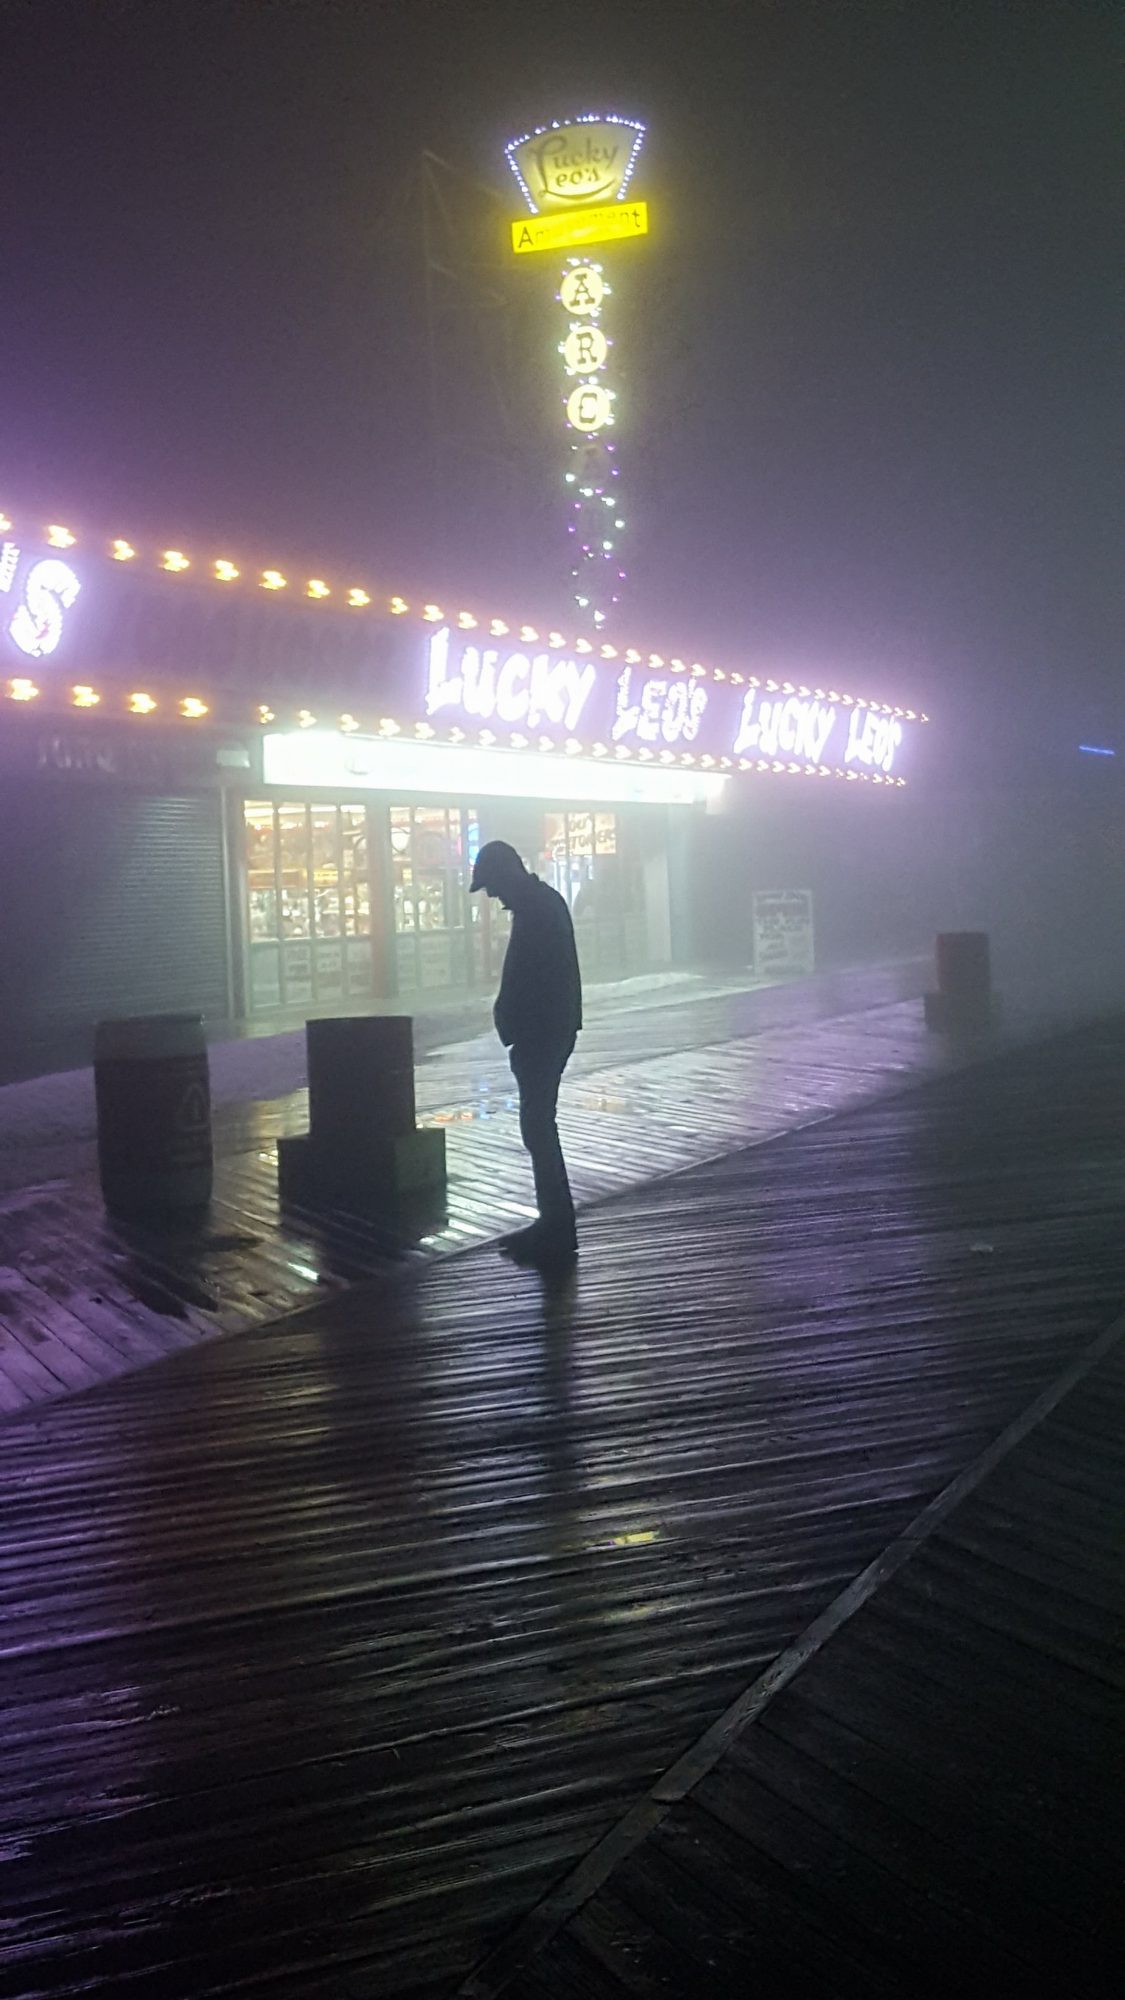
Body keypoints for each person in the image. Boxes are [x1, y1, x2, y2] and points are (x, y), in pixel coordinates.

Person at [470, 840, 582, 1268]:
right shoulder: (541, 905)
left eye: (492, 885)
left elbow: (537, 979)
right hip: (546, 1032)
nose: (492, 895)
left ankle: (556, 1226)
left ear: (506, 874)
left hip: (542, 1034)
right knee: (538, 1127)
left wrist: (521, 1029)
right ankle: (553, 1222)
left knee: (537, 1127)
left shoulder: (537, 910)